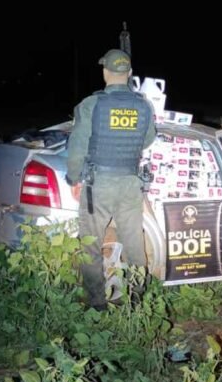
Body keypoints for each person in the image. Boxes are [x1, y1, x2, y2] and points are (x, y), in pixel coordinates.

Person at [65, 48, 157, 310]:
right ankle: (137, 301)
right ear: (128, 74)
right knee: (134, 244)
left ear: (105, 72)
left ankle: (97, 304)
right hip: (130, 183)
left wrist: (74, 179)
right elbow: (148, 139)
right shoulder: (143, 105)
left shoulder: (91, 105)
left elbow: (78, 148)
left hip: (99, 185)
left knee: (90, 244)